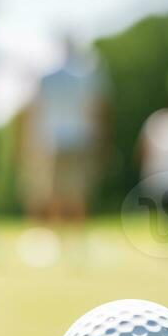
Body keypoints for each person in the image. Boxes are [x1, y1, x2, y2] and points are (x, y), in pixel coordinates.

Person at [20, 37, 109, 224]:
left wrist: (30, 142)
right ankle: (75, 235)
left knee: (53, 190)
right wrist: (100, 139)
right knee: (77, 189)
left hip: (52, 140)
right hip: (79, 138)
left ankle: (56, 232)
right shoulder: (86, 74)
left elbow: (36, 110)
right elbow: (94, 109)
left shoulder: (48, 76)